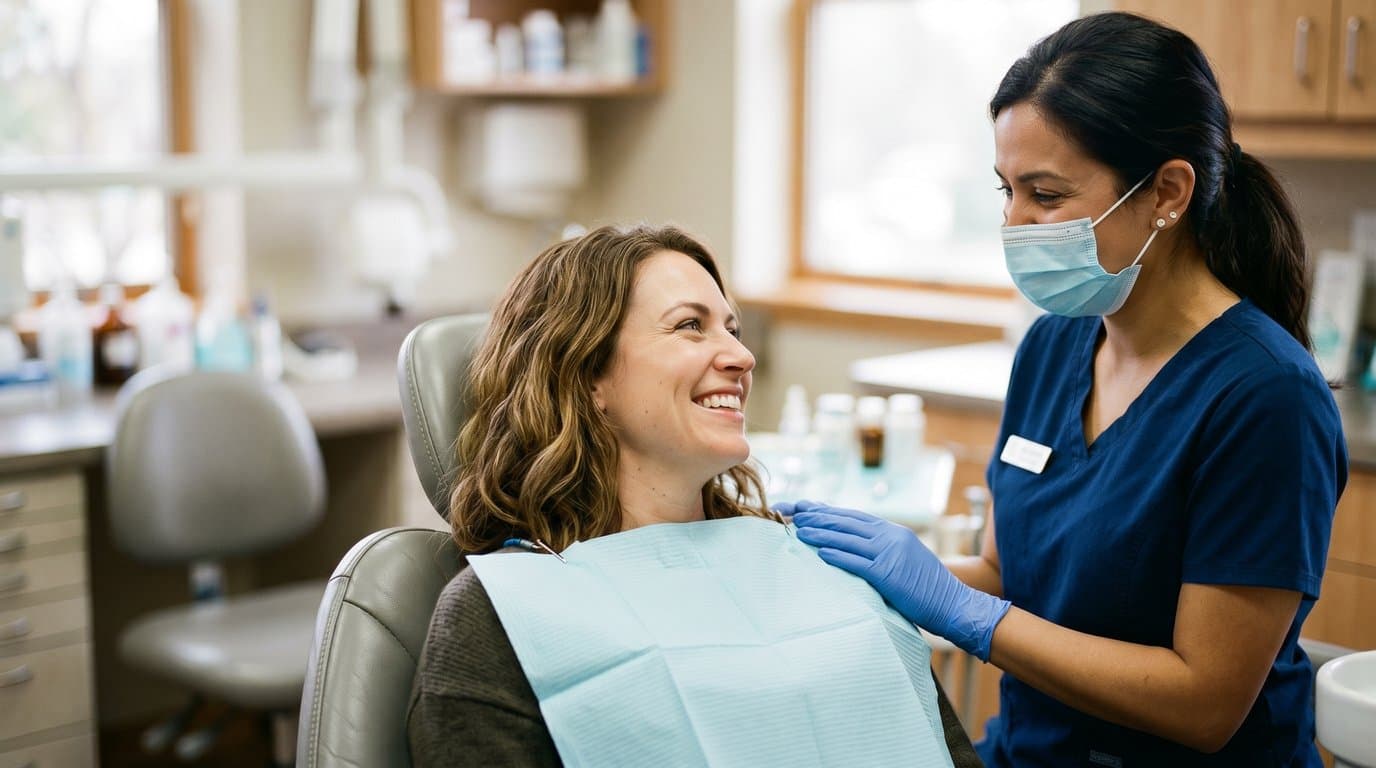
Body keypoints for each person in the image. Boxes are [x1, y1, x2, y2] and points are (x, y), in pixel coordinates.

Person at [786, 11, 1347, 767]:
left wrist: (966, 614)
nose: (1015, 223)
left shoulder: (1265, 398)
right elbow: (1005, 576)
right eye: (1006, 190)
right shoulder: (1054, 346)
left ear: (1168, 193)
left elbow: (1205, 702)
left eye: (1045, 195)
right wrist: (867, 572)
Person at [407, 225, 983, 767]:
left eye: (731, 329)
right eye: (689, 326)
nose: (741, 356)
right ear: (586, 374)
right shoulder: (500, 615)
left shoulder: (819, 563)